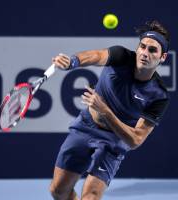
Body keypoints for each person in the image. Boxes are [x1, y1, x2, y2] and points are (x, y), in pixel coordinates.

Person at [49, 20, 170, 200]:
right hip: (86, 126)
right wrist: (72, 62)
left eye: (152, 50)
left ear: (163, 57)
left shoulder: (159, 95)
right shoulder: (121, 56)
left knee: (91, 196)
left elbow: (136, 140)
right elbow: (96, 56)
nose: (145, 53)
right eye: (142, 47)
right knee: (58, 191)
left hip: (114, 141)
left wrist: (105, 111)